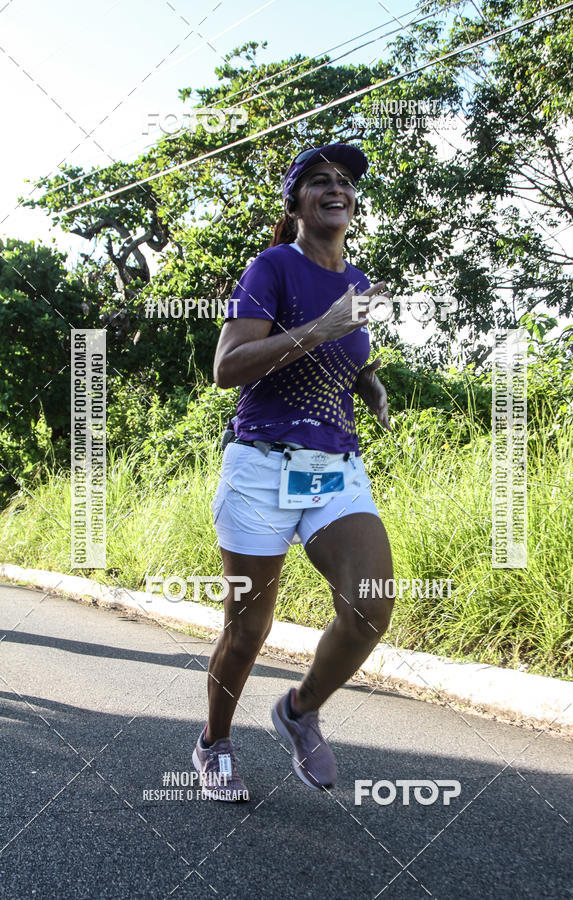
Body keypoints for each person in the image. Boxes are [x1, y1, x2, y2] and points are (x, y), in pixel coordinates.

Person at [192, 143, 395, 802]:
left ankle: (299, 711)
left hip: (332, 465)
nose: (336, 188)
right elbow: (228, 368)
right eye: (319, 181)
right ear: (298, 203)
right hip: (260, 465)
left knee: (369, 604)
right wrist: (322, 326)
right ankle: (214, 742)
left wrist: (368, 384)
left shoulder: (359, 282)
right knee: (249, 629)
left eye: (344, 182)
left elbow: (343, 352)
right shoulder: (271, 267)